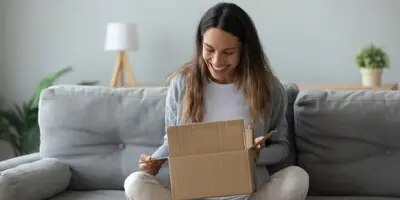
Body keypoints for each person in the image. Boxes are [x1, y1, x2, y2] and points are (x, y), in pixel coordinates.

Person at [124, 2, 309, 200]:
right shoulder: (182, 84)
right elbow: (173, 141)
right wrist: (156, 160)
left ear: (244, 50)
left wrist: (255, 156)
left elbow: (281, 147)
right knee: (135, 182)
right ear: (200, 44)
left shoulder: (269, 87)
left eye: (228, 52)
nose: (217, 61)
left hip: (248, 195)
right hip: (193, 192)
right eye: (209, 49)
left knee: (297, 178)